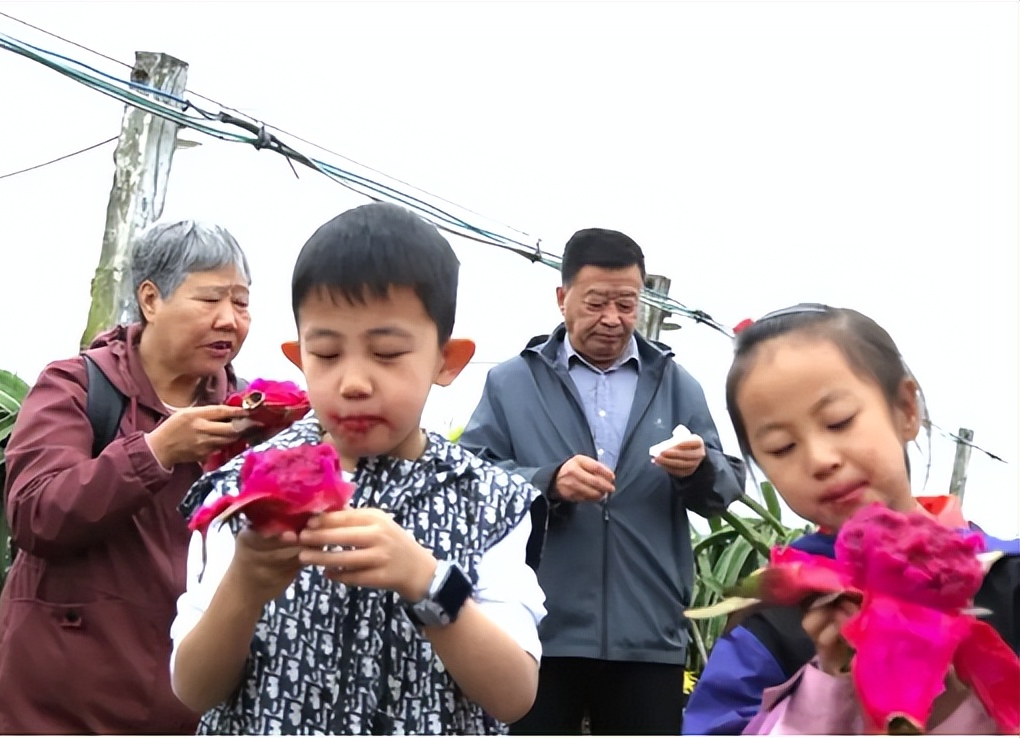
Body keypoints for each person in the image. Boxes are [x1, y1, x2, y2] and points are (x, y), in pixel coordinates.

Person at [169, 202, 546, 734]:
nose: (353, 382)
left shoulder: (487, 501)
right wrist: (244, 587)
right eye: (326, 354)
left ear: (447, 361)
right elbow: (192, 688)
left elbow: (514, 695)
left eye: (387, 353)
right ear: (299, 357)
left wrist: (427, 580)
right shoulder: (243, 492)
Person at [682, 303, 1020, 735]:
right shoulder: (772, 623)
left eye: (839, 422)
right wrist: (828, 684)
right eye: (783, 448)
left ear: (905, 410)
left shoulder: (1007, 580)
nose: (821, 460)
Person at [458, 228, 746, 735]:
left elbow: (726, 487)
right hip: (539, 631)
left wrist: (700, 468)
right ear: (562, 298)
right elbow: (470, 479)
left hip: (648, 633)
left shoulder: (676, 384)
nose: (612, 319)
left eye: (627, 304)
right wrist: (549, 482)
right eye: (595, 303)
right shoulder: (511, 383)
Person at [0, 220, 255, 734]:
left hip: (187, 707)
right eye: (210, 300)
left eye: (241, 303)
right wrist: (155, 452)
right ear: (151, 300)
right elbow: (35, 512)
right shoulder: (77, 386)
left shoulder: (248, 412)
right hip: (62, 711)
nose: (230, 320)